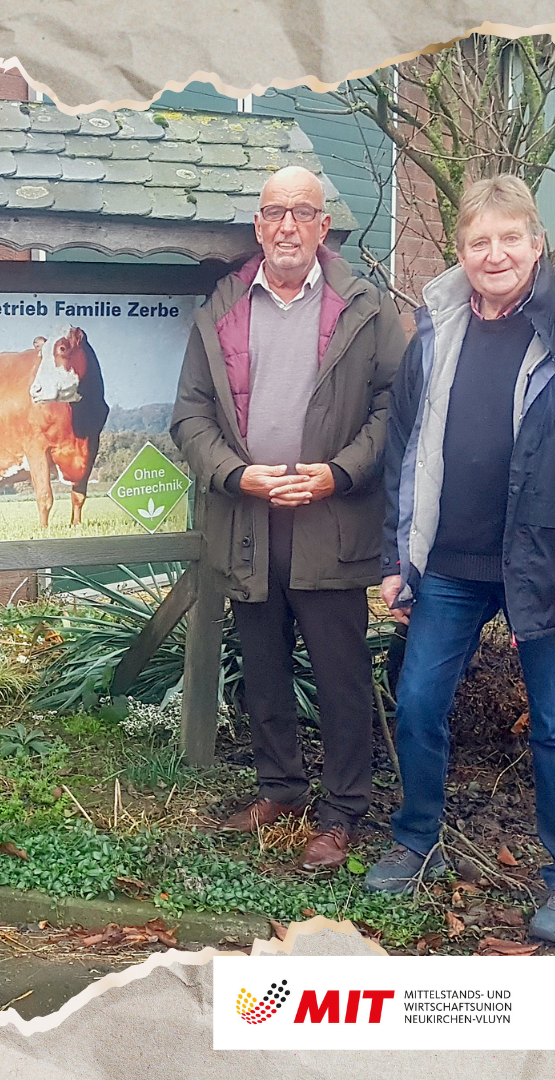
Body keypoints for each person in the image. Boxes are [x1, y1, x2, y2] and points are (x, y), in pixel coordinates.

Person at [171, 165, 406, 871]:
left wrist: (340, 473)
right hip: (248, 525)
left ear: (323, 225)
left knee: (340, 676)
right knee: (265, 668)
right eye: (275, 212)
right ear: (258, 225)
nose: (287, 226)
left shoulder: (364, 308)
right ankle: (281, 788)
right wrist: (236, 474)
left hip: (330, 527)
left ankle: (341, 812)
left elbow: (396, 408)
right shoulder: (222, 309)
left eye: (303, 212)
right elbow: (190, 414)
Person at [367, 176, 555, 941]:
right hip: (447, 564)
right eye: (480, 241)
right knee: (417, 705)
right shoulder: (436, 332)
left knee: (552, 725)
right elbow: (403, 451)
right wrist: (395, 556)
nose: (495, 253)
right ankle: (417, 839)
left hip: (541, 564)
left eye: (510, 238)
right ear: (461, 252)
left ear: (536, 245)